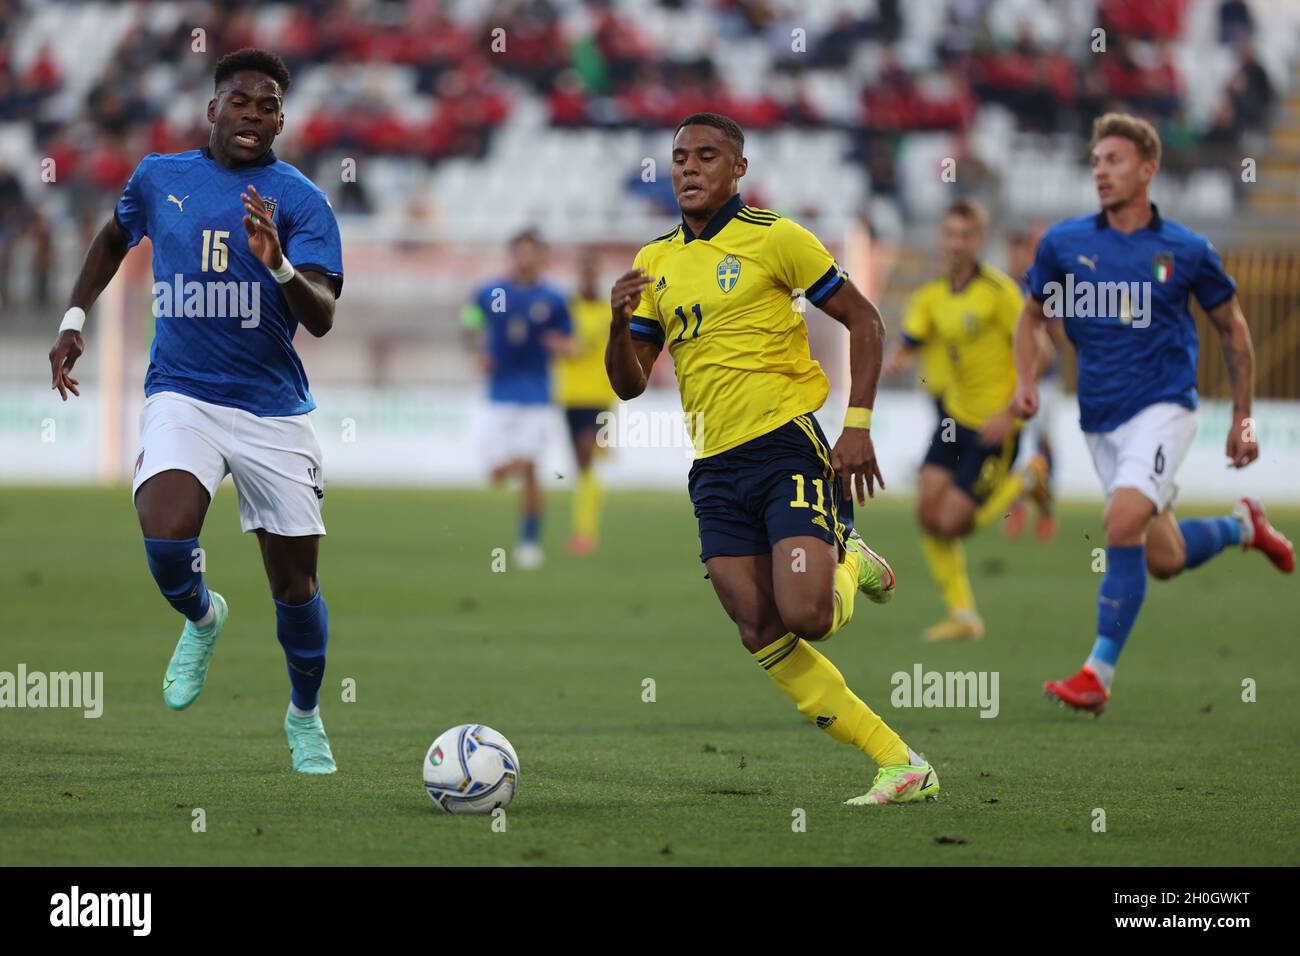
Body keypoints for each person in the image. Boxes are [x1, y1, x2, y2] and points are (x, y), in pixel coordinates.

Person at [606, 112, 937, 805]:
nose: (688, 168)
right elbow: (629, 384)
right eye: (678, 158)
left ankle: (850, 558)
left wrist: (858, 426)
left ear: (737, 170)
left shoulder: (776, 238)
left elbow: (866, 320)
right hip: (714, 468)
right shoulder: (655, 262)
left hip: (786, 445)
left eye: (704, 156)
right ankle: (898, 762)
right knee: (757, 625)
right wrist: (617, 325)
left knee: (808, 613)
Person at [47, 49, 345, 771]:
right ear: (213, 108)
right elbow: (116, 236)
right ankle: (204, 617)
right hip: (183, 391)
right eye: (241, 101)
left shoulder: (301, 200)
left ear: (281, 119)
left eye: (269, 105)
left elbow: (324, 315)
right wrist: (74, 318)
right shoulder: (160, 177)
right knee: (166, 534)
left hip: (274, 410)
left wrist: (276, 263)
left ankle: (304, 715)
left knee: (295, 585)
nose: (254, 115)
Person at [1013, 112, 1294, 715]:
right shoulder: (1065, 243)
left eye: (1113, 161)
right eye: (1095, 163)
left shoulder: (1187, 250)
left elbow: (1234, 330)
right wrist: (1023, 381)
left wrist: (1242, 418)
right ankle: (1245, 526)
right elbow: (1031, 315)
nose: (1101, 172)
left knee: (1118, 525)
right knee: (1161, 557)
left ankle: (1098, 674)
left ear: (1148, 169)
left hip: (1165, 409)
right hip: (1100, 420)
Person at [883, 199, 1048, 641]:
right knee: (927, 515)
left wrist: (1013, 409)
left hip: (998, 423)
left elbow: (1043, 351)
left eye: (965, 236)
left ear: (979, 241)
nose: (956, 243)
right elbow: (911, 338)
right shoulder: (932, 295)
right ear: (942, 237)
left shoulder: (999, 293)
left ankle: (1027, 479)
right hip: (955, 418)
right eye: (950, 234)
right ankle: (963, 615)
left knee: (953, 522)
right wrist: (896, 358)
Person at [462, 229, 573, 570]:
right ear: (512, 255)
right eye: (520, 252)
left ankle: (529, 541)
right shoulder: (492, 292)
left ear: (542, 257)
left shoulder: (552, 298)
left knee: (530, 470)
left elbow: (571, 342)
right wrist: (477, 350)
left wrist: (561, 345)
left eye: (532, 252)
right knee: (496, 473)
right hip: (498, 393)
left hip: (537, 394)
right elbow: (469, 321)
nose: (525, 258)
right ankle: (526, 534)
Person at [555, 249, 616, 555]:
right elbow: (551, 339)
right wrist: (564, 346)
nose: (589, 274)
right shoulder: (565, 309)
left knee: (586, 453)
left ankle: (585, 533)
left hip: (600, 396)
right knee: (582, 465)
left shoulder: (610, 310)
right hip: (570, 395)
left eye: (593, 269)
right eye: (585, 269)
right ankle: (584, 527)